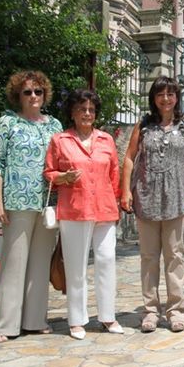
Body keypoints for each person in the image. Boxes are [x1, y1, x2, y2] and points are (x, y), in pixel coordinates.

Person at [0, 71, 63, 343]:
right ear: (18, 95)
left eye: (38, 92)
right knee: (14, 263)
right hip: (17, 202)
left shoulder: (54, 125)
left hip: (47, 204)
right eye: (27, 92)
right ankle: (5, 325)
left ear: (45, 95)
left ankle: (34, 320)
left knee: (40, 263)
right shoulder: (7, 123)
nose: (33, 96)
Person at [121, 76, 184, 333]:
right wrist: (126, 191)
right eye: (160, 94)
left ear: (177, 97)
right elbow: (129, 159)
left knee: (174, 256)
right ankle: (150, 311)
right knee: (148, 257)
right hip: (146, 198)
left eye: (170, 94)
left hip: (176, 198)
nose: (165, 99)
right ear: (153, 98)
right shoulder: (143, 126)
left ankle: (176, 310)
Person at [44, 89, 123, 340]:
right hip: (75, 209)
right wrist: (61, 177)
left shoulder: (106, 140)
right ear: (72, 112)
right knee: (76, 266)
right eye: (81, 109)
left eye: (90, 109)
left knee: (107, 260)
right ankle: (77, 320)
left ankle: (108, 316)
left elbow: (114, 173)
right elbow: (48, 172)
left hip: (104, 208)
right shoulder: (60, 140)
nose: (87, 113)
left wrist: (118, 200)